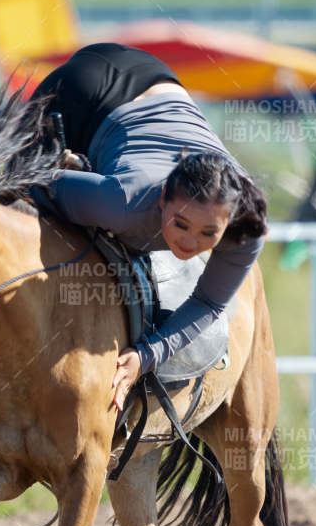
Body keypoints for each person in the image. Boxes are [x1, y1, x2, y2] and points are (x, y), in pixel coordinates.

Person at [30, 42, 269, 413]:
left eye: (208, 234)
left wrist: (148, 355)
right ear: (161, 202)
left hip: (163, 83)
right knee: (8, 186)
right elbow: (31, 181)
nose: (189, 243)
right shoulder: (123, 203)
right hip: (87, 89)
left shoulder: (246, 227)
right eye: (181, 223)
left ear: (228, 222)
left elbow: (208, 302)